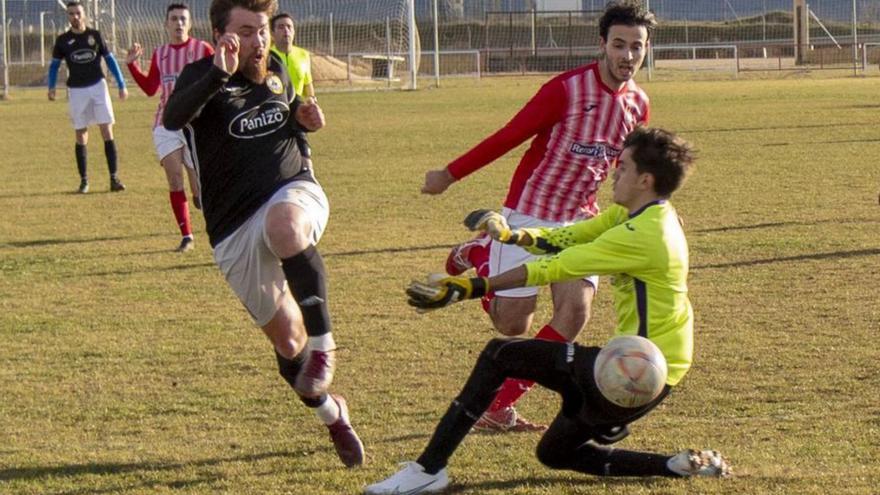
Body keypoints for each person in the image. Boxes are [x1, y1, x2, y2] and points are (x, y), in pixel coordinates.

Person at [366, 127, 730, 494]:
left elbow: (557, 265)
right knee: (554, 453)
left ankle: (428, 470)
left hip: (639, 371)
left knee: (500, 355)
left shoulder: (643, 234)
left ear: (645, 180)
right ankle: (676, 467)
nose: (613, 173)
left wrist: (474, 286)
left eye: (622, 167)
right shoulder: (642, 214)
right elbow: (569, 236)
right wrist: (512, 237)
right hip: (649, 364)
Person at [420, 0, 655, 431]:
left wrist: (647, 212)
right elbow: (509, 136)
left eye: (636, 47)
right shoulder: (565, 89)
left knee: (574, 314)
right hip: (529, 214)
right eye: (619, 45)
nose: (627, 56)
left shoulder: (639, 104)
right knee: (513, 324)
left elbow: (630, 167)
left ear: (646, 49)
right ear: (601, 44)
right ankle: (480, 253)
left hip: (580, 223)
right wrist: (448, 175)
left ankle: (498, 406)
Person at [163, 0, 363, 467]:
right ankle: (332, 414)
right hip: (233, 229)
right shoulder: (201, 76)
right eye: (246, 32)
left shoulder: (276, 66)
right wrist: (218, 72)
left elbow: (290, 116)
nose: (259, 42)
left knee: (286, 225)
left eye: (262, 31)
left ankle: (325, 347)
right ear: (219, 36)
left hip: (293, 192)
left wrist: (305, 122)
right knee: (287, 344)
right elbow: (173, 119)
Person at [126, 3, 214, 252]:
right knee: (175, 179)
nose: (178, 24)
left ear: (190, 23)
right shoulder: (161, 53)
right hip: (165, 124)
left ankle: (202, 200)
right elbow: (150, 88)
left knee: (199, 185)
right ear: (166, 24)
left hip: (196, 125)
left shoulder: (203, 50)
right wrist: (132, 66)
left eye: (183, 19)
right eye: (174, 19)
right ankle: (187, 236)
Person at [48, 0, 128, 194]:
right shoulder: (62, 40)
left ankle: (114, 179)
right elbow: (54, 66)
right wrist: (51, 87)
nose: (75, 17)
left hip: (98, 87)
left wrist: (121, 84)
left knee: (107, 131)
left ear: (84, 15)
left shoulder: (95, 35)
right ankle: (84, 182)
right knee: (81, 133)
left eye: (77, 13)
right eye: (71, 14)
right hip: (76, 90)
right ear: (67, 16)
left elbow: (110, 60)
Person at [269, 12, 315, 99]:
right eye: (281, 27)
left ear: (294, 31)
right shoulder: (267, 56)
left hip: (297, 109)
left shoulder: (303, 55)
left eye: (289, 27)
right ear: (272, 33)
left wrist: (313, 101)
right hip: (275, 108)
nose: (286, 30)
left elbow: (307, 85)